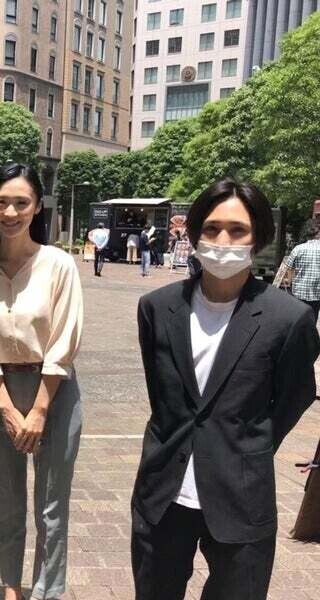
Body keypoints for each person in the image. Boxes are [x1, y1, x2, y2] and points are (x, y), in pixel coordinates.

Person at [132, 178, 320, 600]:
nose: (222, 241)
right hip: (163, 493)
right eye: (212, 228)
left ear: (258, 239)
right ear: (195, 233)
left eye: (238, 230)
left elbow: (294, 396)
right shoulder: (157, 308)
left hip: (241, 493)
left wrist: (247, 443)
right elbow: (161, 393)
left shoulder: (287, 319)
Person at [0, 163, 83, 600]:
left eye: (20, 202)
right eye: (1, 203)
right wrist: (7, 406)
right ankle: (11, 588)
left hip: (55, 391)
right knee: (8, 501)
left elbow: (64, 337)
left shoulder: (58, 265)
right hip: (1, 392)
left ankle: (47, 591)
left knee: (51, 506)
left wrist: (40, 409)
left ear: (37, 207)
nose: (10, 212)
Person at [283, 226, 320, 323]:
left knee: (298, 319)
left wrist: (288, 282)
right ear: (318, 235)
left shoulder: (298, 249)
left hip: (299, 292)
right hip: (317, 293)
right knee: (313, 319)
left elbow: (289, 267)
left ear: (307, 235)